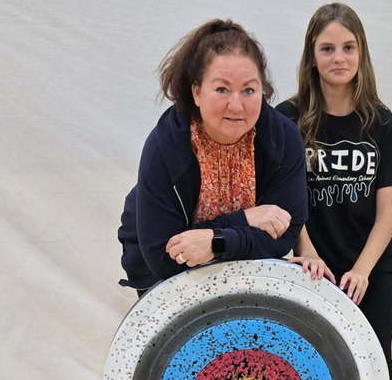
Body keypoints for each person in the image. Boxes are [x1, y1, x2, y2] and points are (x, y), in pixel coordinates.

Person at [276, 3, 392, 380]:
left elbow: (389, 210)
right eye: (328, 48)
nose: (339, 57)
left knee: (378, 366)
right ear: (312, 56)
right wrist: (306, 252)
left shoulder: (382, 122)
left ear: (362, 53)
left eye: (348, 47)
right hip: (311, 268)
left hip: (370, 269)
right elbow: (285, 198)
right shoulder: (288, 120)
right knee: (310, 366)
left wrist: (362, 268)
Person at [119, 19, 307, 294]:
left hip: (246, 269)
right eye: (221, 89)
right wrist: (245, 220)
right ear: (197, 92)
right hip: (166, 278)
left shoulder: (284, 138)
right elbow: (164, 258)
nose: (236, 104)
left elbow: (284, 236)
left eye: (249, 90)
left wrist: (214, 241)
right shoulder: (164, 145)